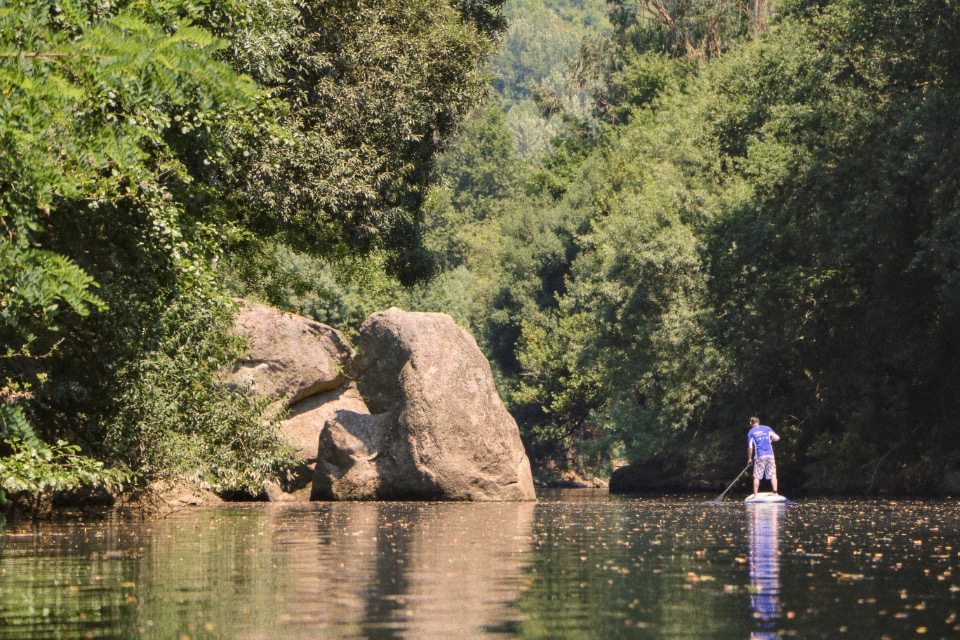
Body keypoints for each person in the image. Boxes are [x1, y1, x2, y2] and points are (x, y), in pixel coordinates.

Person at [747, 416, 780, 499]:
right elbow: (777, 438)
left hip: (760, 455)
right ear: (759, 421)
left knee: (757, 476)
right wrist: (771, 439)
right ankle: (775, 493)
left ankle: (755, 495)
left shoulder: (751, 432)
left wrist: (749, 459)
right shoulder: (767, 428)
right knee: (772, 474)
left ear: (751, 423)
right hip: (770, 454)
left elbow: (750, 447)